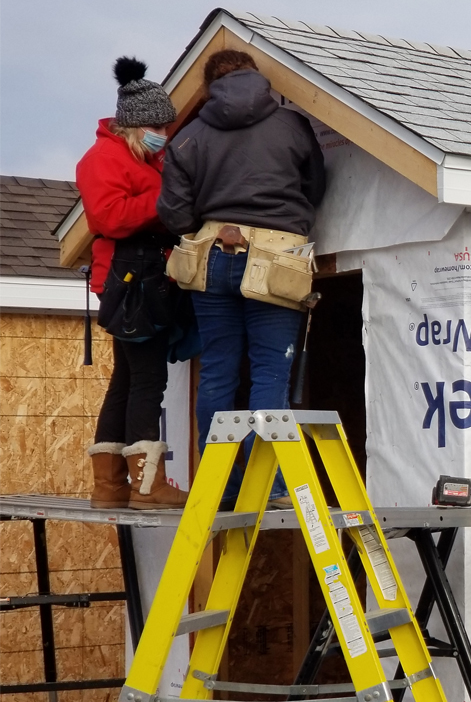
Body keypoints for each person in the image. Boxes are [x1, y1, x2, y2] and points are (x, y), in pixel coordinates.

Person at [157, 49, 326, 507]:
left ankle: (221, 486)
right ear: (255, 77)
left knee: (217, 371)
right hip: (277, 257)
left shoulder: (188, 138)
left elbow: (172, 212)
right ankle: (268, 486)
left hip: (211, 257)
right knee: (271, 371)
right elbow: (316, 187)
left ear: (210, 87)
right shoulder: (291, 125)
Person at [78, 58, 189, 510]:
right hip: (128, 281)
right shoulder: (102, 159)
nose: (165, 133)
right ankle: (147, 486)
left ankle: (110, 487)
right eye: (160, 126)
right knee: (148, 378)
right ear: (135, 125)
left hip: (139, 276)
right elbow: (108, 217)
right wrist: (164, 201)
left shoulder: (143, 156)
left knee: (125, 379)